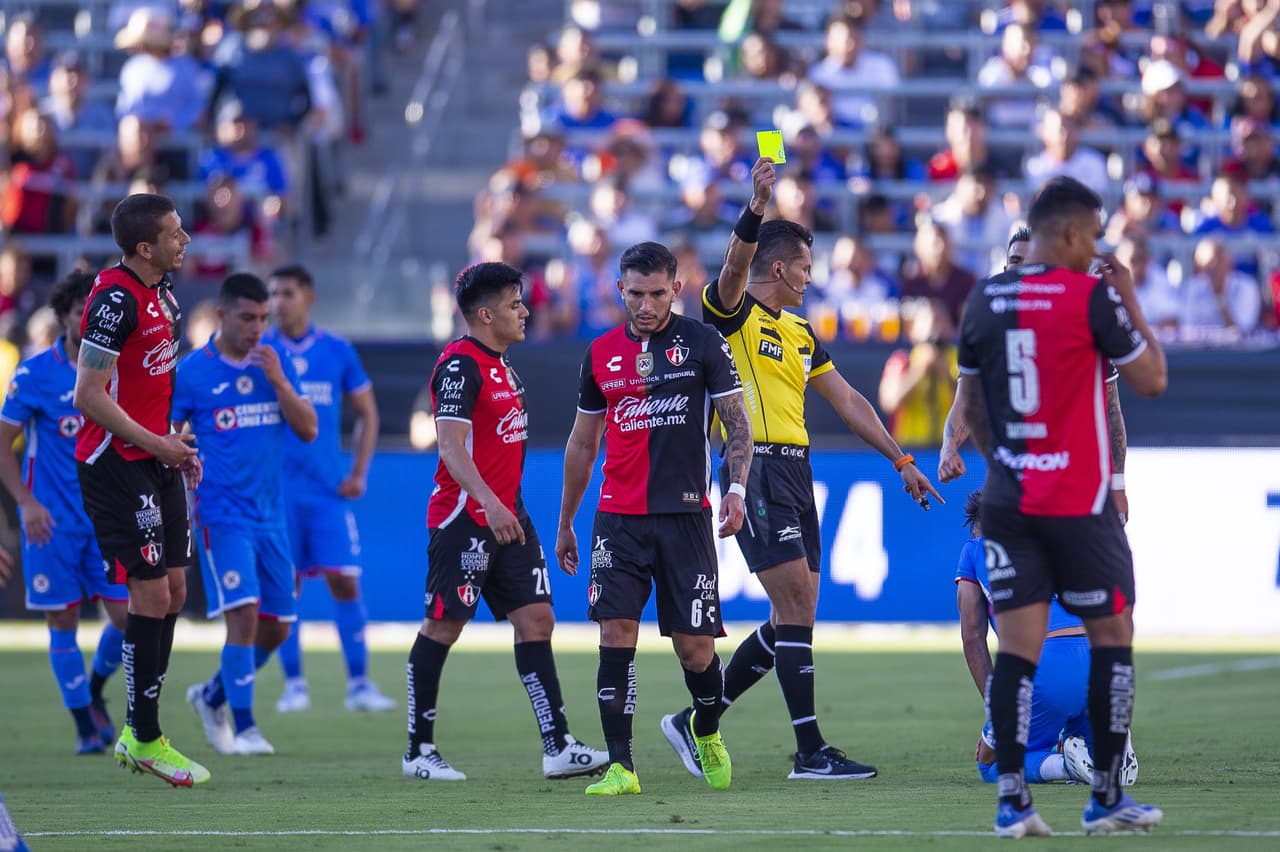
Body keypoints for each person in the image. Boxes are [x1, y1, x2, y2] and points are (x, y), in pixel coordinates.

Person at [662, 159, 940, 782]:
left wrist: (901, 460)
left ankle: (697, 721)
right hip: (751, 466)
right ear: (781, 268)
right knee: (793, 602)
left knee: (796, 611)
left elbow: (848, 400)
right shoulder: (730, 314)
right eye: (807, 269)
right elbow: (734, 268)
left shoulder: (801, 332)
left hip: (795, 471)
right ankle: (809, 751)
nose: (811, 280)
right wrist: (756, 206)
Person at [952, 176, 1166, 837]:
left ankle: (1014, 801)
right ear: (1072, 234)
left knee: (1017, 647)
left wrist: (1011, 459)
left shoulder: (984, 301)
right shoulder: (1091, 295)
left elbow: (972, 406)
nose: (1095, 248)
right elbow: (1151, 379)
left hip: (1011, 500)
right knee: (1113, 637)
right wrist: (1124, 287)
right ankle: (1105, 796)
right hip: (1079, 499)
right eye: (1094, 236)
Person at [555, 241, 753, 796]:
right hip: (618, 519)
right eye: (634, 294)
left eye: (656, 294)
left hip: (686, 517)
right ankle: (622, 766)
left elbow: (737, 424)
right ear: (620, 289)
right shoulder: (599, 354)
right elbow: (582, 442)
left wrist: (735, 489)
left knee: (695, 649)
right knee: (616, 632)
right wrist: (567, 520)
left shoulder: (702, 342)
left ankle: (704, 726)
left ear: (676, 289)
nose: (644, 305)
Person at [403, 261, 608, 782]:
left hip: (508, 516)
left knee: (538, 619)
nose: (525, 310)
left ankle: (558, 744)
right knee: (443, 626)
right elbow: (450, 446)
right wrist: (489, 503)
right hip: (465, 516)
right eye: (516, 303)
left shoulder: (505, 366)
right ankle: (418, 750)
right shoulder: (459, 366)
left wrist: (506, 506)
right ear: (486, 313)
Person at [73, 192, 207, 786]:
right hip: (116, 462)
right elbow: (89, 395)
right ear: (145, 247)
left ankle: (143, 729)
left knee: (174, 590)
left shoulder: (164, 294)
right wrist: (157, 446)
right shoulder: (113, 299)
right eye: (176, 234)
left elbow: (149, 379)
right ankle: (143, 733)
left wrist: (174, 441)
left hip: (155, 455)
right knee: (150, 596)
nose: (186, 241)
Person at [178, 273, 317, 756]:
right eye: (248, 317)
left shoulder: (274, 363)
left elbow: (309, 429)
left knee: (277, 626)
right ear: (221, 315)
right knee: (244, 616)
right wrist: (179, 448)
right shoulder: (192, 372)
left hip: (271, 517)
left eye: (263, 318)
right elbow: (166, 434)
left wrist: (278, 380)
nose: (258, 327)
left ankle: (211, 695)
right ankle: (245, 727)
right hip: (221, 513)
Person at [0, 271, 127, 754]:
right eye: (81, 311)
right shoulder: (35, 374)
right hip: (51, 523)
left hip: (107, 518)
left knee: (127, 620)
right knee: (63, 623)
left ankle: (94, 690)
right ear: (66, 316)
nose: (90, 319)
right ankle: (83, 726)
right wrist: (26, 503)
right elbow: (2, 444)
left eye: (97, 311)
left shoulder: (117, 372)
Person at [264, 265, 396, 713]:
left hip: (326, 492)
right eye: (274, 294)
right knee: (286, 587)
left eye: (287, 293)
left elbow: (368, 413)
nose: (279, 302)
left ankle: (359, 684)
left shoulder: (336, 350)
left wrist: (359, 472)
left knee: (345, 581)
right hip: (277, 493)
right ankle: (294, 685)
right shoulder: (261, 351)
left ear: (309, 297)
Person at [940, 225, 1131, 524]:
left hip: (1071, 482)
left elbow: (1111, 410)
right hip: (1011, 483)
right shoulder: (987, 322)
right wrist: (949, 446)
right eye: (1016, 262)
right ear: (1005, 268)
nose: (1024, 271)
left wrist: (1117, 485)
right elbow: (967, 400)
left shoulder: (1080, 322)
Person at [956, 490, 1138, 787]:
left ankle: (1067, 767)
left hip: (1044, 662)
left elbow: (973, 637)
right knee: (1073, 738)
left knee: (991, 763)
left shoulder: (976, 549)